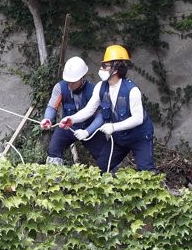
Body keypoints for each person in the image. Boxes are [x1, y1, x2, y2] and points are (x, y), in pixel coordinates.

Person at [60, 44, 155, 172]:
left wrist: (113, 127)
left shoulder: (132, 90)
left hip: (139, 137)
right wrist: (72, 119)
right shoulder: (101, 87)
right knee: (102, 166)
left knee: (146, 172)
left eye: (105, 66)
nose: (101, 69)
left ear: (116, 69)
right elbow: (89, 110)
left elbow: (138, 119)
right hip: (120, 138)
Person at [40, 56, 111, 166]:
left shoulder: (94, 91)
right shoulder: (60, 87)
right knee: (53, 151)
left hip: (89, 128)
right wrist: (47, 119)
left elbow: (101, 116)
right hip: (67, 127)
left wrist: (87, 131)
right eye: (68, 81)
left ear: (83, 78)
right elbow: (52, 107)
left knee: (107, 158)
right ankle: (54, 180)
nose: (70, 84)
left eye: (73, 81)